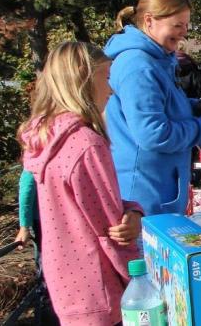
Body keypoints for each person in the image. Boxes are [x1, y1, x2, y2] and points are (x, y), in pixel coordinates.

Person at [18, 42, 144, 326]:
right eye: (106, 76)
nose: (110, 89)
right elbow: (111, 230)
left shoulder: (43, 137)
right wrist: (141, 279)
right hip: (100, 288)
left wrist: (133, 209)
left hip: (66, 283)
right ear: (83, 77)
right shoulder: (86, 144)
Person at [105, 0, 201, 216]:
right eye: (177, 25)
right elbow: (154, 134)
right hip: (144, 196)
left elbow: (167, 109)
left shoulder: (160, 60)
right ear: (149, 21)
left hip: (158, 189)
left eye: (186, 25)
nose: (184, 32)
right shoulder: (139, 68)